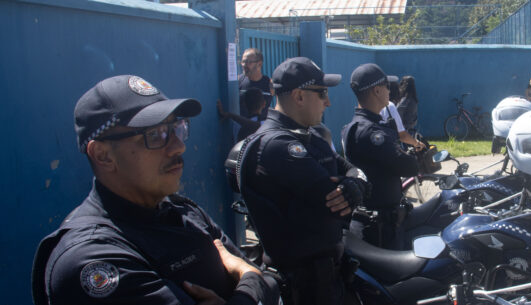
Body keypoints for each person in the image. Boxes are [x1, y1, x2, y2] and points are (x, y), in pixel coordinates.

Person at [31, 75, 279, 305]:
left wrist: (250, 284)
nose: (178, 147)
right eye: (154, 134)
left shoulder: (183, 213)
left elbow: (271, 282)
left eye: (177, 128)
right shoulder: (93, 258)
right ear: (103, 155)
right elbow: (257, 278)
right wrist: (249, 280)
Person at [242, 57, 369, 305]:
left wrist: (356, 183)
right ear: (299, 96)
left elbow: (353, 171)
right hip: (303, 288)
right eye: (322, 93)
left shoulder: (311, 138)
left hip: (327, 278)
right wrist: (353, 184)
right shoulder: (278, 146)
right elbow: (331, 200)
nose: (328, 102)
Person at [342, 63, 419, 249]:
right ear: (376, 91)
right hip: (378, 229)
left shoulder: (359, 126)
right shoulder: (370, 132)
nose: (389, 91)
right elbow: (409, 167)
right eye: (386, 87)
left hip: (379, 223)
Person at [380, 80, 425, 151]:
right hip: (402, 133)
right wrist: (417, 143)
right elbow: (402, 135)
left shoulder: (377, 106)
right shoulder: (414, 100)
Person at [239, 48, 274, 119]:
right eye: (243, 61)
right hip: (244, 128)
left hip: (262, 128)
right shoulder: (238, 81)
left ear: (259, 64)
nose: (244, 65)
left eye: (248, 62)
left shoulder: (270, 84)